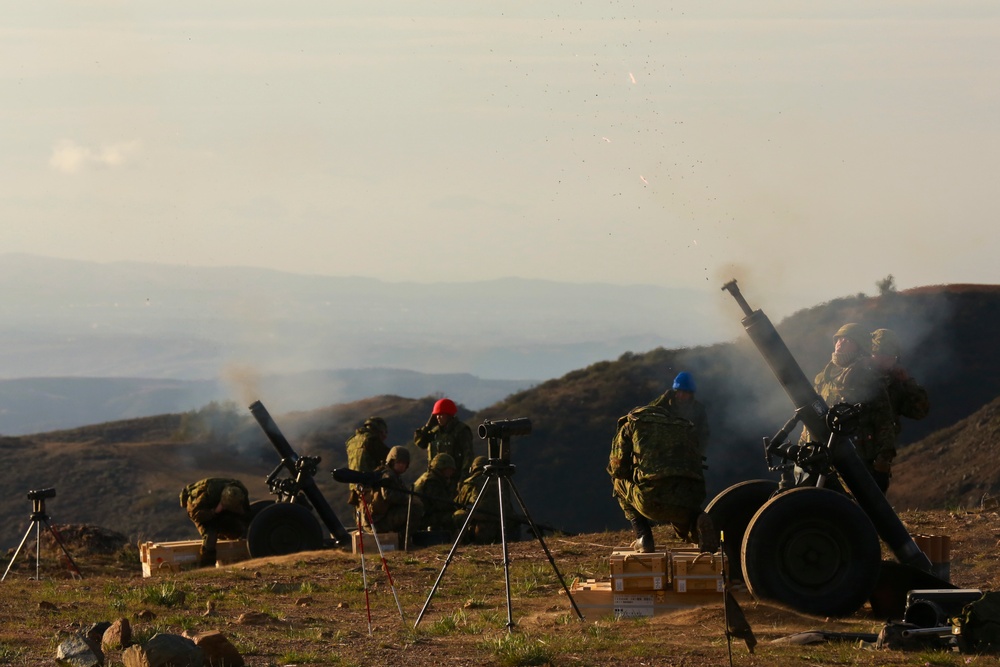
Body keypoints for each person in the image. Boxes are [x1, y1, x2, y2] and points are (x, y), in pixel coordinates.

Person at [607, 401, 715, 554]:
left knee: (618, 482)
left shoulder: (631, 425)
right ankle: (696, 526)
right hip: (691, 498)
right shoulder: (682, 426)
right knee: (680, 509)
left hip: (652, 499)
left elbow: (618, 470)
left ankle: (643, 537)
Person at [800, 322, 896, 492]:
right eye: (839, 339)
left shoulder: (867, 377)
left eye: (848, 340)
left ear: (859, 346)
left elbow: (883, 420)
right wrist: (804, 443)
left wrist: (883, 459)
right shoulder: (824, 376)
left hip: (854, 455)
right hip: (822, 453)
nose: (840, 343)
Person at [871, 328, 931, 468]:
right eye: (882, 354)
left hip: (880, 460)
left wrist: (907, 382)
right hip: (853, 451)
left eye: (892, 356)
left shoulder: (896, 385)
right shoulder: (857, 378)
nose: (887, 360)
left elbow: (920, 411)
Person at [179, 478, 251, 567]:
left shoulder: (240, 492)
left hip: (221, 508)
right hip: (204, 511)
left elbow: (246, 514)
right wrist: (215, 512)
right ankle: (207, 567)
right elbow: (195, 516)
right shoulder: (205, 495)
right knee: (210, 537)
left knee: (238, 529)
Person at [361, 446, 423, 539]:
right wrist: (410, 499)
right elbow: (389, 495)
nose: (402, 465)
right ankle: (402, 540)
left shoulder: (391, 475)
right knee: (415, 509)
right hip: (377, 522)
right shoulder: (388, 475)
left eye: (404, 463)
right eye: (398, 462)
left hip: (376, 520)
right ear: (392, 462)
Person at [413, 398, 474, 492]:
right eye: (436, 415)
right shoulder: (435, 432)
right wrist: (428, 425)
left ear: (449, 415)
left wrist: (464, 477)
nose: (438, 417)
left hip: (454, 480)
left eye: (441, 414)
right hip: (435, 479)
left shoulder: (461, 431)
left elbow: (468, 455)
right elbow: (420, 442)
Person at [452, 455, 516, 544]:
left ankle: (465, 541)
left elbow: (458, 503)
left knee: (458, 514)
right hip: (502, 519)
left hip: (482, 520)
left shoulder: (471, 482)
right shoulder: (501, 480)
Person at [649, 371, 710, 457]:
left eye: (684, 392)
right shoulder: (666, 404)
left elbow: (704, 435)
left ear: (690, 393)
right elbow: (647, 411)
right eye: (678, 391)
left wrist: (698, 455)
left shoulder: (698, 409)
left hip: (687, 455)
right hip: (663, 454)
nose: (680, 395)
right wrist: (662, 399)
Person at [345, 416, 390, 506]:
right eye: (383, 433)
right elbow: (389, 458)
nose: (384, 437)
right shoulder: (371, 439)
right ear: (378, 430)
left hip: (355, 491)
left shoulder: (351, 441)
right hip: (369, 489)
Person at [413, 453, 458, 533]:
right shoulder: (432, 481)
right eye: (449, 470)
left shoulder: (429, 477)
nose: (451, 473)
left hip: (423, 516)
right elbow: (442, 504)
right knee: (456, 517)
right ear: (441, 468)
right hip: (424, 518)